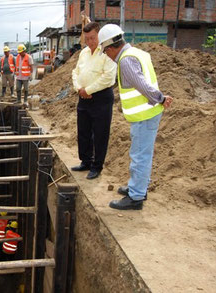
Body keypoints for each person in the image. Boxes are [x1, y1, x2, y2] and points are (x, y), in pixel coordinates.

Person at [98, 24, 173, 210]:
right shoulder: (138, 53)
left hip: (144, 115)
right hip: (147, 113)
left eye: (105, 51)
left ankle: (136, 197)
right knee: (142, 154)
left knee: (140, 156)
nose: (106, 55)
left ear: (110, 47)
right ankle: (137, 188)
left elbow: (141, 85)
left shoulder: (125, 60)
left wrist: (160, 98)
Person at [71, 22, 117, 180]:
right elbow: (75, 73)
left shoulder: (107, 52)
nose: (90, 41)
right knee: (83, 131)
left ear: (99, 35)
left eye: (93, 38)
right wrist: (79, 89)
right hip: (83, 97)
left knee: (100, 133)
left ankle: (97, 166)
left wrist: (88, 90)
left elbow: (108, 77)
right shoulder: (83, 53)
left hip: (101, 98)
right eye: (87, 38)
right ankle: (86, 161)